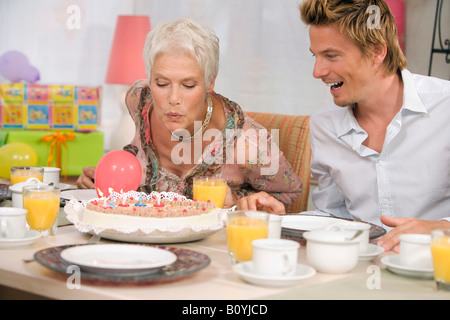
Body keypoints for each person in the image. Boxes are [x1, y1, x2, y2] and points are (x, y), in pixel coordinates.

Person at [77, 18, 301, 213]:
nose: (173, 98)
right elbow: (134, 162)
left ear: (210, 82)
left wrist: (240, 202)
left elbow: (291, 194)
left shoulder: (249, 144)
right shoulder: (139, 100)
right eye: (162, 83)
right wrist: (103, 180)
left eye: (188, 85)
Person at [294, 0, 450, 252]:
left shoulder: (445, 108)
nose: (317, 71)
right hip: (359, 271)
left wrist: (441, 227)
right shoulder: (324, 125)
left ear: (377, 51)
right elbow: (333, 214)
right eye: (316, 56)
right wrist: (272, 221)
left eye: (331, 56)